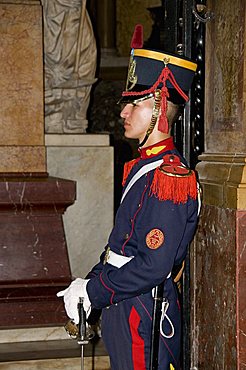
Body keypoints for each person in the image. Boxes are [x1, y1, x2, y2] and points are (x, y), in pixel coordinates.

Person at [57, 25, 199, 370]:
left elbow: (153, 265)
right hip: (123, 302)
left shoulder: (170, 177)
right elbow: (122, 246)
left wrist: (95, 292)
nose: (123, 112)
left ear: (159, 110)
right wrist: (90, 281)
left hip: (142, 309)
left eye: (134, 104)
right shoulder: (145, 166)